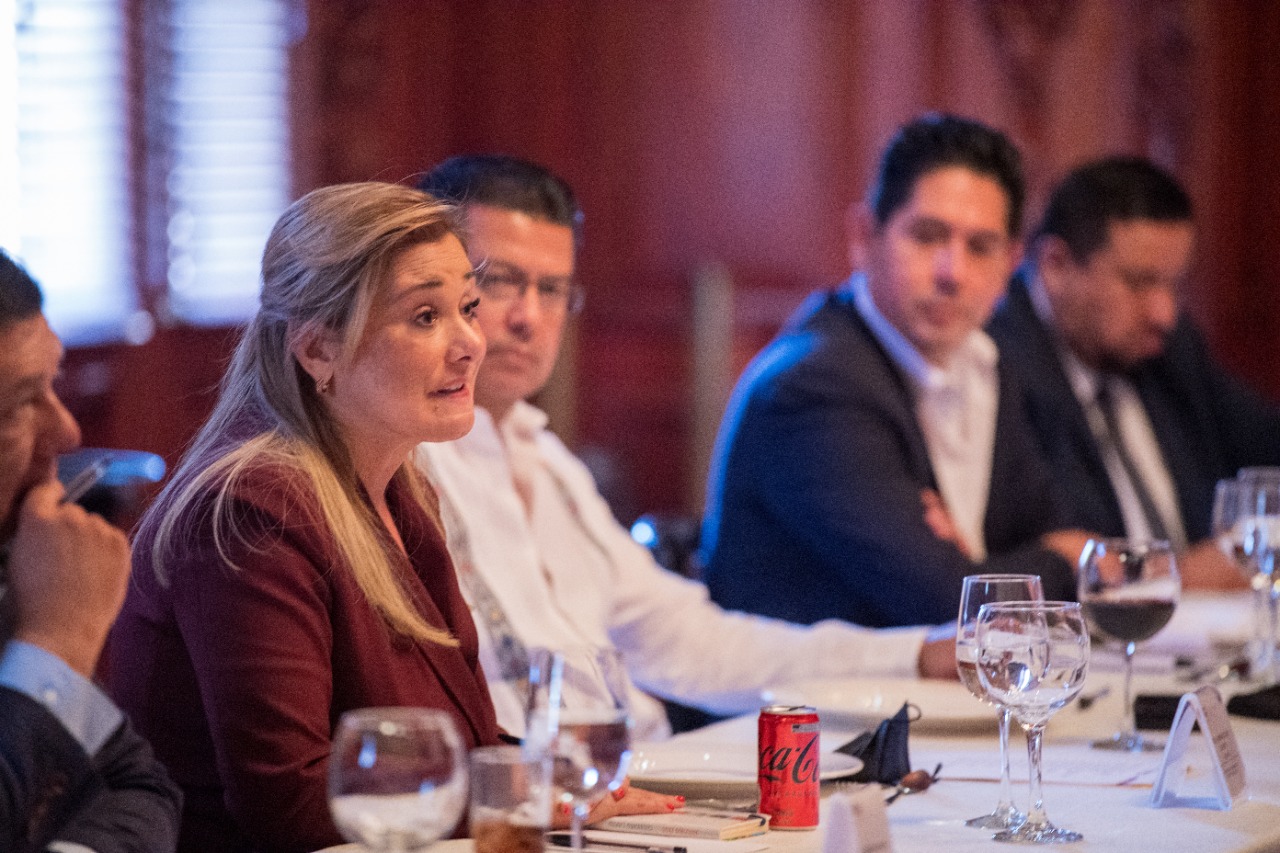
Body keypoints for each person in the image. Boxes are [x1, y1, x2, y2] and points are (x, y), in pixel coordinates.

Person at [413, 155, 958, 743]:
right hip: (539, 786)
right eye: (497, 281)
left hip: (636, 769)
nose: (528, 317)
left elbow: (692, 644)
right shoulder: (404, 466)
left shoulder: (552, 467)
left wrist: (916, 655)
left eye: (551, 289)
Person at [107, 183, 504, 853]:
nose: (469, 343)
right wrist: (526, 795)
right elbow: (290, 802)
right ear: (318, 350)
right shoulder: (250, 513)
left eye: (468, 307)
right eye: (425, 316)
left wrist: (560, 779)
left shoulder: (403, 491)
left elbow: (465, 741)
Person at [701, 114, 1089, 630]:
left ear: (1011, 262)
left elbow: (1046, 527)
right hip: (812, 683)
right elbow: (948, 604)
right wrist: (1062, 558)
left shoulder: (989, 366)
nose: (952, 273)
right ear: (865, 237)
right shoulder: (813, 387)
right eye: (927, 236)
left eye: (980, 247)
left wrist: (980, 566)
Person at [987, 156, 1279, 589]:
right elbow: (1048, 554)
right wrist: (1174, 577)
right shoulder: (997, 367)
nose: (1164, 313)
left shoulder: (1168, 350)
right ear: (1056, 265)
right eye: (1139, 283)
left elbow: (1267, 446)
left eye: (1173, 284)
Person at [0, 250, 180, 853]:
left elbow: (139, 786)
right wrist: (55, 642)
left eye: (51, 386)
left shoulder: (13, 569)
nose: (67, 432)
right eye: (19, 403)